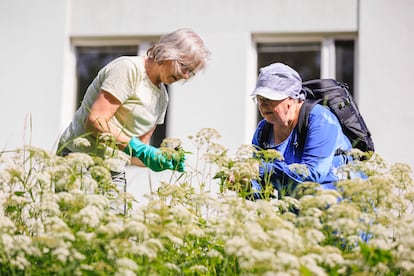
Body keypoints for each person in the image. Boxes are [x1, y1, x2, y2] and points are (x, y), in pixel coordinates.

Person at [57, 28, 210, 192]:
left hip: (113, 170)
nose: (185, 76)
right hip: (79, 159)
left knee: (114, 218)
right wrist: (139, 148)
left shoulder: (162, 98)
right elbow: (96, 121)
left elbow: (134, 154)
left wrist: (157, 159)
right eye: (184, 66)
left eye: (191, 72)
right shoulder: (129, 69)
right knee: (73, 216)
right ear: (168, 52)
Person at [250, 63, 352, 198]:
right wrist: (246, 184)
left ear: (291, 98)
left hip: (342, 209)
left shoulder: (320, 119)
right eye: (259, 99)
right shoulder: (263, 131)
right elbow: (261, 188)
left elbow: (313, 175)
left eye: (269, 99)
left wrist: (262, 169)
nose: (263, 105)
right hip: (298, 213)